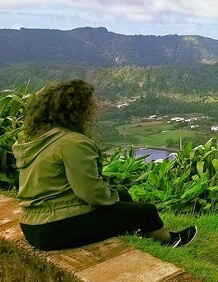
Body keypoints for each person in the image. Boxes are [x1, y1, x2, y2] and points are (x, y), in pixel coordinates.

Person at [12, 79, 197, 251]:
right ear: (77, 109)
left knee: (122, 194)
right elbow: (91, 194)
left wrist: (115, 197)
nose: (96, 106)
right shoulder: (72, 142)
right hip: (54, 229)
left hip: (32, 224)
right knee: (146, 211)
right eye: (91, 104)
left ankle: (138, 232)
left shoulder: (40, 139)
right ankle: (168, 241)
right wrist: (112, 199)